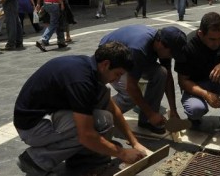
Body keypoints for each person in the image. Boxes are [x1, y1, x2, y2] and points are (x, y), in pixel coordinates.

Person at [14, 42, 149, 175]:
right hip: (31, 127)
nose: (116, 80)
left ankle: (85, 161)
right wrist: (122, 153)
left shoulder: (90, 68)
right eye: (118, 74)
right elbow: (86, 135)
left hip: (47, 115)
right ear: (106, 64)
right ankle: (36, 160)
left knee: (104, 107)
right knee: (98, 125)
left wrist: (134, 142)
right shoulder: (81, 81)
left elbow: (113, 110)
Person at [99, 25, 187, 134]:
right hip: (112, 59)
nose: (171, 57)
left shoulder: (163, 45)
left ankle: (146, 121)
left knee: (161, 73)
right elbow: (131, 87)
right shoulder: (139, 49)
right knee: (129, 96)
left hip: (132, 56)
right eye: (171, 54)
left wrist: (173, 110)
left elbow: (168, 78)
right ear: (160, 44)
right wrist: (151, 114)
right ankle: (98, 115)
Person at [174, 12, 220, 138]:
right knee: (195, 110)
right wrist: (206, 94)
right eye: (212, 39)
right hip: (195, 86)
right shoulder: (187, 46)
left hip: (216, 80)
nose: (217, 43)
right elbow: (183, 81)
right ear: (200, 34)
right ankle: (194, 117)